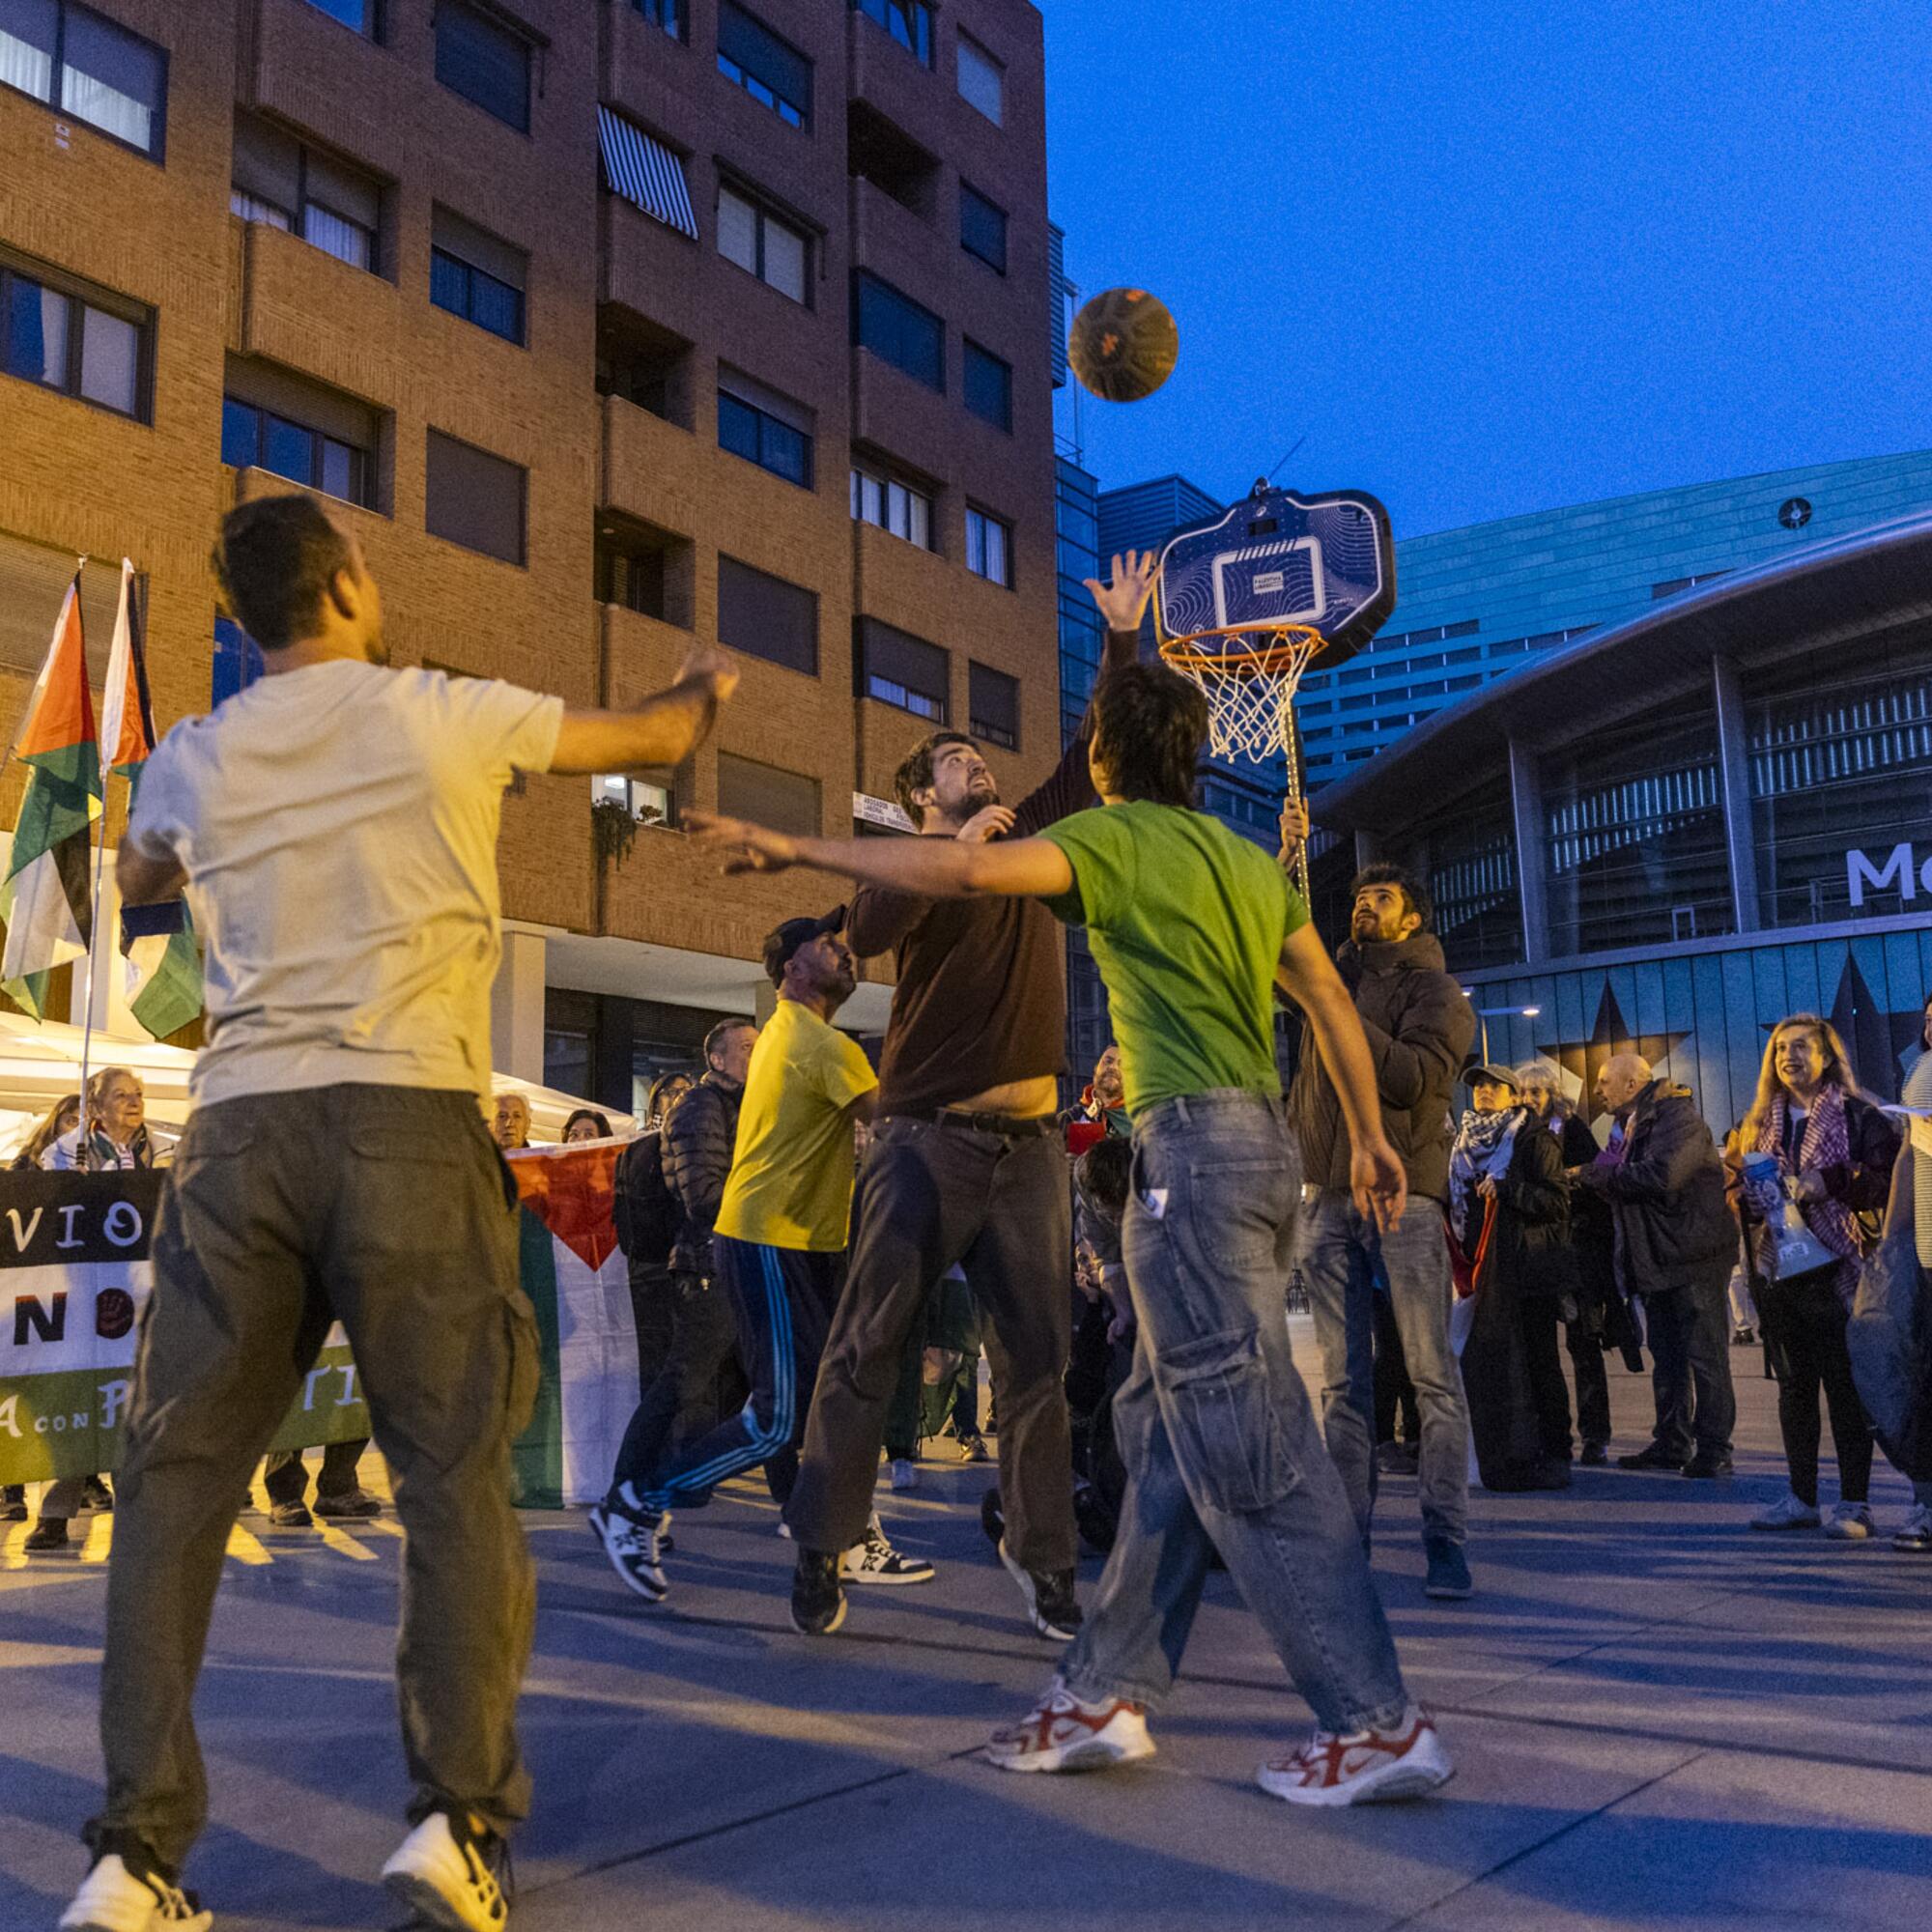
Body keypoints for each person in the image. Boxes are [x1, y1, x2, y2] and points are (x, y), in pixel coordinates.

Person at [60, 491, 738, 1932]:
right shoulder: (446, 710)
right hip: (409, 1119)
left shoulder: (195, 751)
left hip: (238, 1133)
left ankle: (133, 1856)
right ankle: (453, 1825)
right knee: (450, 1479)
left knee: (175, 1489)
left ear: (245, 624)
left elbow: (134, 873)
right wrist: (698, 687)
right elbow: (650, 742)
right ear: (353, 584)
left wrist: (189, 836)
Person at [690, 554, 1452, 1807]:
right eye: (952, 763)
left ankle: (1369, 1716)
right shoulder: (1236, 856)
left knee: (1217, 1434)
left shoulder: (1081, 837)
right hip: (1108, 1146)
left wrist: (783, 837)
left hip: (1128, 1157)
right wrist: (1368, 1141)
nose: (979, 771)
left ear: (1098, 775)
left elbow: (1037, 812)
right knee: (1150, 1430)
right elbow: (1322, 1001)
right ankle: (1095, 1678)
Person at [772, 568, 1148, 1646]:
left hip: (1029, 1149)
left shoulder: (1033, 829)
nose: (977, 769)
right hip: (921, 1143)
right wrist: (952, 852)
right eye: (954, 765)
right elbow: (870, 924)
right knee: (865, 1345)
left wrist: (1120, 641)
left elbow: (1100, 751)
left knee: (1035, 1363)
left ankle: (1042, 1562)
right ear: (918, 799)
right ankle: (822, 1537)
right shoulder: (916, 860)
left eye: (978, 760)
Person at [588, 919, 930, 1608]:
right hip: (769, 1243)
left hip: (792, 1247)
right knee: (777, 1418)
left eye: (843, 939)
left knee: (822, 1404)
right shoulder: (817, 1043)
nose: (845, 948)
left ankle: (845, 1535)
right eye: (826, 941)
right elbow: (898, 1119)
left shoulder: (786, 1033)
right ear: (790, 969)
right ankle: (636, 1500)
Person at [1279, 807, 1477, 1601]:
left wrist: (1336, 1004)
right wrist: (1286, 856)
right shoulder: (1334, 976)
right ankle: (1344, 1541)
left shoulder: (1438, 992)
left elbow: (1409, 1083)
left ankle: (1445, 1540)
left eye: (1384, 899)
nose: (1366, 906)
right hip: (1326, 1200)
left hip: (1407, 1200)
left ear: (1414, 916)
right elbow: (1270, 947)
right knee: (1342, 1388)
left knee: (1431, 1376)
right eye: (1360, 900)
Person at [594, 1018, 757, 1575]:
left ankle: (822, 1529)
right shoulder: (699, 1109)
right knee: (680, 1386)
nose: (757, 1058)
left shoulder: (741, 1108)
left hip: (740, 1264)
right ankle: (628, 1497)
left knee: (775, 1396)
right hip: (709, 1267)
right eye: (747, 1049)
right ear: (716, 1058)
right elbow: (703, 1196)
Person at [1736, 1016, 1897, 1538]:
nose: (1788, 1056)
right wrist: (1749, 1197)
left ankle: (1855, 1504)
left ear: (1827, 1056)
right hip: (1782, 1268)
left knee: (1845, 1390)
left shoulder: (1858, 1114)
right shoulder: (1761, 1122)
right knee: (1794, 1390)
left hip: (1843, 1268)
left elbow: (1885, 1183)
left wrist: (1828, 1181)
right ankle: (1801, 1497)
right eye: (1780, 1048)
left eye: (1800, 1047)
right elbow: (1745, 1193)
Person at [1577, 1053, 1738, 1478]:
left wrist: (1591, 1177)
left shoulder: (1676, 1120)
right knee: (1666, 1357)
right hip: (1655, 1258)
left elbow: (1662, 1176)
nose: (1597, 1090)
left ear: (1632, 1085)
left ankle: (1716, 1447)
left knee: (1705, 1357)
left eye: (1604, 1081)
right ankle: (1672, 1442)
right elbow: (1613, 1175)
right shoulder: (1623, 1127)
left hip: (1692, 1255)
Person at [26, 1069, 151, 1554]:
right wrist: (70, 1184)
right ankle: (56, 1515)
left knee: (135, 1401)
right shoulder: (66, 1151)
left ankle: (138, 1511)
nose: (133, 1102)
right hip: (82, 1297)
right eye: (121, 1096)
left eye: (138, 1094)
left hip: (139, 1294)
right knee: (79, 1398)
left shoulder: (155, 1149)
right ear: (95, 1107)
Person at [1450, 1065, 1577, 1492]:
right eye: (1478, 1087)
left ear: (1512, 1094)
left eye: (1493, 1086)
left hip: (1530, 1268)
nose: (1484, 1092)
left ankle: (1558, 1452)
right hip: (1487, 1273)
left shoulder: (1532, 1137)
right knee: (1502, 1364)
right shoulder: (1464, 1145)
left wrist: (1507, 1191)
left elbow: (1557, 1201)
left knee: (1541, 1362)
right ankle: (1516, 1450)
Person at [1517, 1059, 1619, 1464]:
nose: (1529, 1100)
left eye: (1536, 1093)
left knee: (1583, 1345)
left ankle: (1595, 1434)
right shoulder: (1519, 1135)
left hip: (1577, 1251)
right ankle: (1549, 1429)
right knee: (1540, 1349)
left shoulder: (1570, 1129)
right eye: (1523, 1093)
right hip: (1542, 1254)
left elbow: (1595, 1175)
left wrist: (1565, 1178)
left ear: (1552, 1096)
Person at [1061, 1043, 1128, 1155]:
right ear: (1096, 1068)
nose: (1113, 1067)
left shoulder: (1140, 1123)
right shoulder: (1068, 1119)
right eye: (1108, 1061)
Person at [10, 1091, 80, 1170]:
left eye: (89, 1125)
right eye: (73, 1121)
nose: (80, 1131)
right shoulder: (26, 1160)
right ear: (55, 1124)